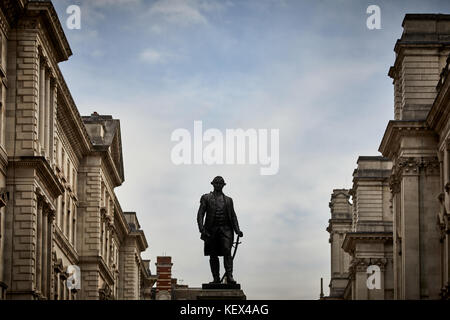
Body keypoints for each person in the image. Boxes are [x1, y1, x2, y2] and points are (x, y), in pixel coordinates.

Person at [197, 176, 244, 284]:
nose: (218, 185)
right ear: (213, 184)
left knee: (227, 251)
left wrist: (237, 230)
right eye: (216, 183)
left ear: (223, 185)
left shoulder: (229, 200)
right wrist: (201, 229)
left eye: (220, 183)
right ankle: (216, 278)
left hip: (226, 229)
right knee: (213, 254)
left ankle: (229, 276)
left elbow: (233, 216)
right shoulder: (206, 198)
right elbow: (200, 214)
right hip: (211, 230)